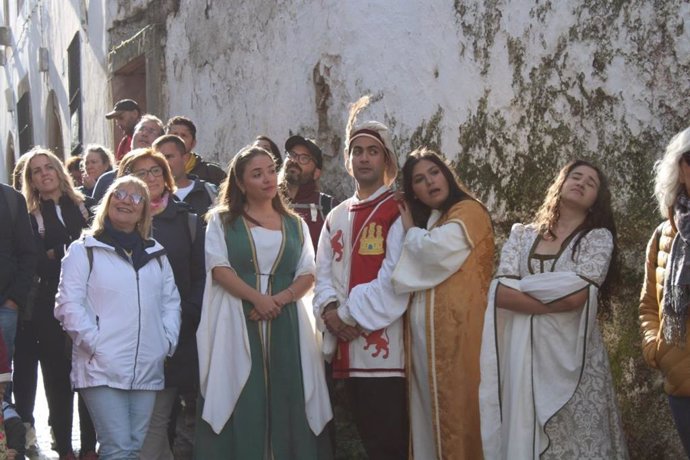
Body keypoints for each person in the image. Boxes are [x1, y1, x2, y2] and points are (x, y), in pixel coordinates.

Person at [479, 160, 628, 459]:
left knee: (580, 439)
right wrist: (555, 293)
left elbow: (578, 297)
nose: (582, 183)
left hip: (574, 358)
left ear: (596, 199)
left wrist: (526, 289)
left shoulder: (597, 238)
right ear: (560, 183)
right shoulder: (522, 235)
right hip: (525, 358)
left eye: (591, 182)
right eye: (576, 176)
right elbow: (499, 293)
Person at [195, 145, 332, 459]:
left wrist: (279, 300)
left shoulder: (295, 224)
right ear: (241, 183)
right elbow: (218, 268)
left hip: (288, 323)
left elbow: (308, 271)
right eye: (257, 174)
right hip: (238, 318)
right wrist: (258, 299)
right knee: (244, 393)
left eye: (271, 170)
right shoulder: (222, 222)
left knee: (289, 393)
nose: (268, 178)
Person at [55, 175, 181, 460]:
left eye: (136, 198)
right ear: (108, 201)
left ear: (143, 212)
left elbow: (170, 302)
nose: (127, 200)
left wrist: (166, 342)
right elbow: (67, 304)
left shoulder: (156, 254)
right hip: (101, 366)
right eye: (120, 194)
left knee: (135, 447)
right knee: (117, 448)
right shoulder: (83, 250)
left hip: (147, 365)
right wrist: (95, 344)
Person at [313, 96, 409, 459]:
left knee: (390, 444)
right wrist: (329, 311)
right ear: (349, 161)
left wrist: (346, 316)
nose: (364, 157)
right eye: (358, 151)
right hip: (345, 351)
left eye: (373, 151)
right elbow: (321, 272)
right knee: (366, 442)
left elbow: (397, 277)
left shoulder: (396, 210)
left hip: (385, 353)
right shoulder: (335, 214)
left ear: (386, 160)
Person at [391, 148, 495, 459]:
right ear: (415, 193)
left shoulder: (468, 211)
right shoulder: (436, 220)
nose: (430, 182)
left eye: (434, 173)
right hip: (428, 345)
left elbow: (434, 252)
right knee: (429, 419)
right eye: (419, 180)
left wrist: (410, 231)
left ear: (446, 175)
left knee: (461, 416)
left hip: (462, 337)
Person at [117, 148, 205, 459]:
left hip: (175, 335)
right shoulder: (116, 222)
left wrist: (186, 316)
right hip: (127, 339)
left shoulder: (187, 220)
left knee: (157, 420)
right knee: (135, 423)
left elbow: (200, 275)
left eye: (155, 170)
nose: (150, 178)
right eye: (140, 173)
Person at [16, 148, 98, 460]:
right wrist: (65, 252)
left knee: (90, 373)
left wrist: (59, 250)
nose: (44, 173)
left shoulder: (85, 206)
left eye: (48, 167)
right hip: (49, 307)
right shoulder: (28, 216)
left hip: (91, 300)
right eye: (36, 171)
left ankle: (90, 446)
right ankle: (64, 447)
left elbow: (96, 249)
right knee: (57, 376)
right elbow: (41, 263)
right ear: (32, 181)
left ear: (59, 171)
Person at [640, 126, 690, 457]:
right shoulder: (663, 235)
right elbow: (648, 305)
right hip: (681, 382)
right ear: (682, 168)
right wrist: (653, 349)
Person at [280, 135, 338, 249]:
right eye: (292, 154)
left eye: (304, 158)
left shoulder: (329, 207)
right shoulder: (269, 202)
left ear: (316, 173)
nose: (294, 160)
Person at [92, 115, 164, 203]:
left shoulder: (162, 178)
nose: (144, 134)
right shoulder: (107, 180)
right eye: (141, 129)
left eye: (151, 131)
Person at [153, 134, 217, 219]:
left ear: (185, 158)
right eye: (159, 159)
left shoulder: (210, 192)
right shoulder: (152, 197)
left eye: (168, 157)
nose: (164, 163)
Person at [166, 116, 227, 186]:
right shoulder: (157, 171)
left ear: (193, 143)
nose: (179, 139)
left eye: (184, 135)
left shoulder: (213, 174)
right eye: (174, 134)